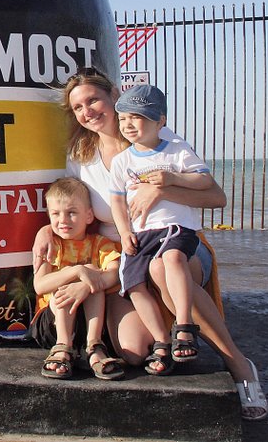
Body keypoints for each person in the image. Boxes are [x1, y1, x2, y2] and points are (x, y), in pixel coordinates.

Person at [33, 68, 268, 418]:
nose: (88, 112)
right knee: (132, 352)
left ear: (114, 94)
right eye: (78, 107)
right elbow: (69, 205)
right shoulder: (81, 156)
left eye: (94, 100)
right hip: (122, 257)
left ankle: (238, 365)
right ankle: (168, 331)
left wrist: (160, 188)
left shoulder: (153, 137)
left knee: (165, 269)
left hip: (176, 243)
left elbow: (216, 197)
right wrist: (45, 231)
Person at [109, 84, 212, 375]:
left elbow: (205, 182)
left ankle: (183, 326)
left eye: (137, 117)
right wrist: (124, 231)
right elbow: (116, 199)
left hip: (174, 227)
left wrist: (170, 179)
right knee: (132, 283)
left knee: (171, 259)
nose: (128, 124)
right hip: (140, 233)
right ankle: (160, 341)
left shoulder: (177, 151)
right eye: (123, 118)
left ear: (160, 121)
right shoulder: (122, 161)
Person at [32, 177, 124, 381]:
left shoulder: (101, 243)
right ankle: (62, 346)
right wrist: (76, 272)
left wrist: (87, 278)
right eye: (55, 214)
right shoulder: (51, 245)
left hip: (90, 321)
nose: (63, 220)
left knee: (94, 276)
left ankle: (94, 346)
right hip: (51, 323)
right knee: (72, 279)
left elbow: (115, 273)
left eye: (71, 213)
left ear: (89, 215)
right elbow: (39, 285)